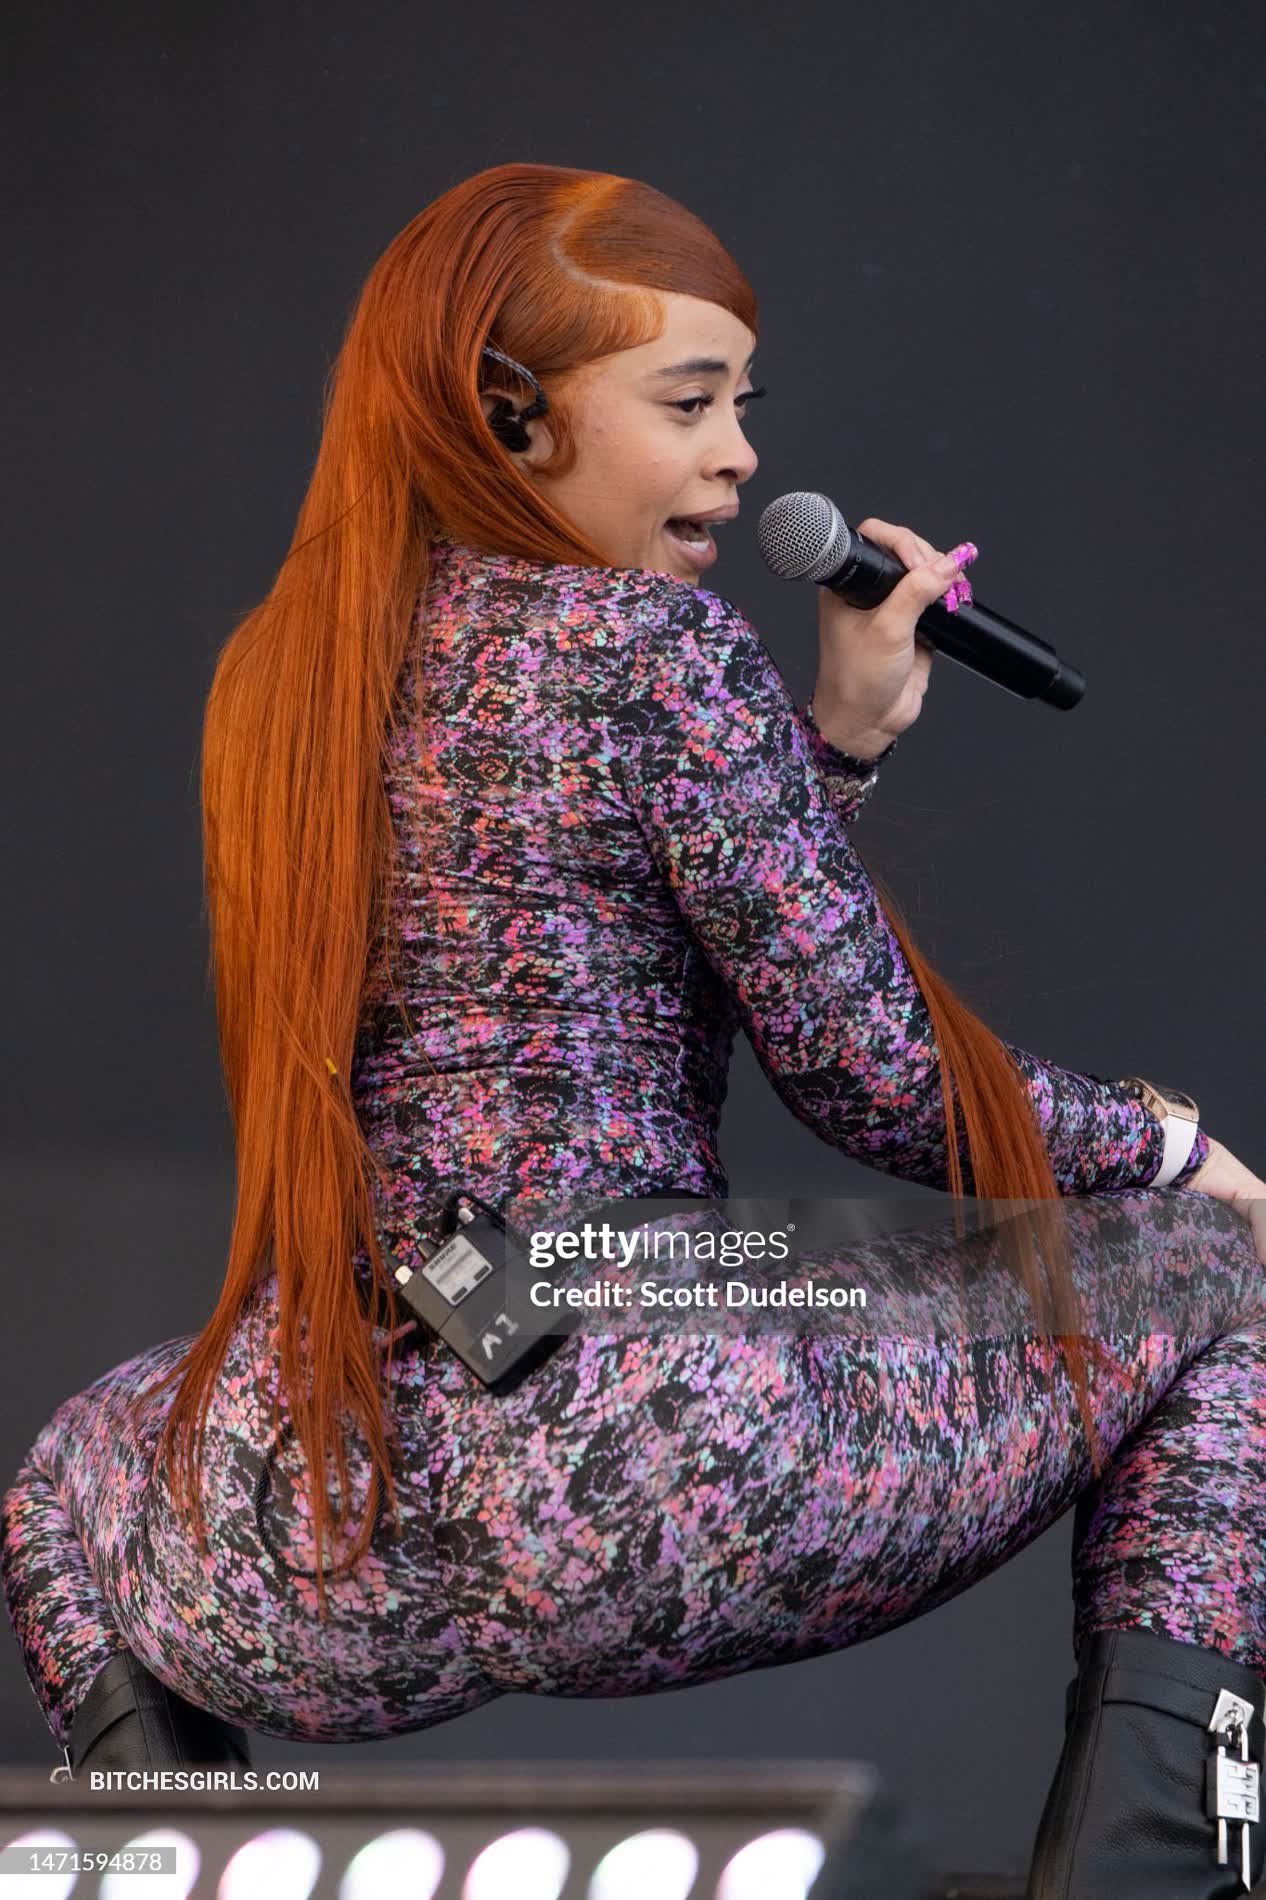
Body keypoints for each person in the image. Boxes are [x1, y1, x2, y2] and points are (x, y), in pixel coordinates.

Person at [3, 161, 1265, 1896]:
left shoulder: (277, 675)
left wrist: (825, 749)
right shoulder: (649, 645)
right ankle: (1144, 1881)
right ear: (506, 413)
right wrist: (1171, 1149)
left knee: (73, 1476)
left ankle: (164, 1871)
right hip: (659, 1443)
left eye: (742, 403)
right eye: (688, 402)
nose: (741, 457)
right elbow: (877, 1077)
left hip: (347, 1515)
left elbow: (590, 936)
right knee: (1222, 1281)